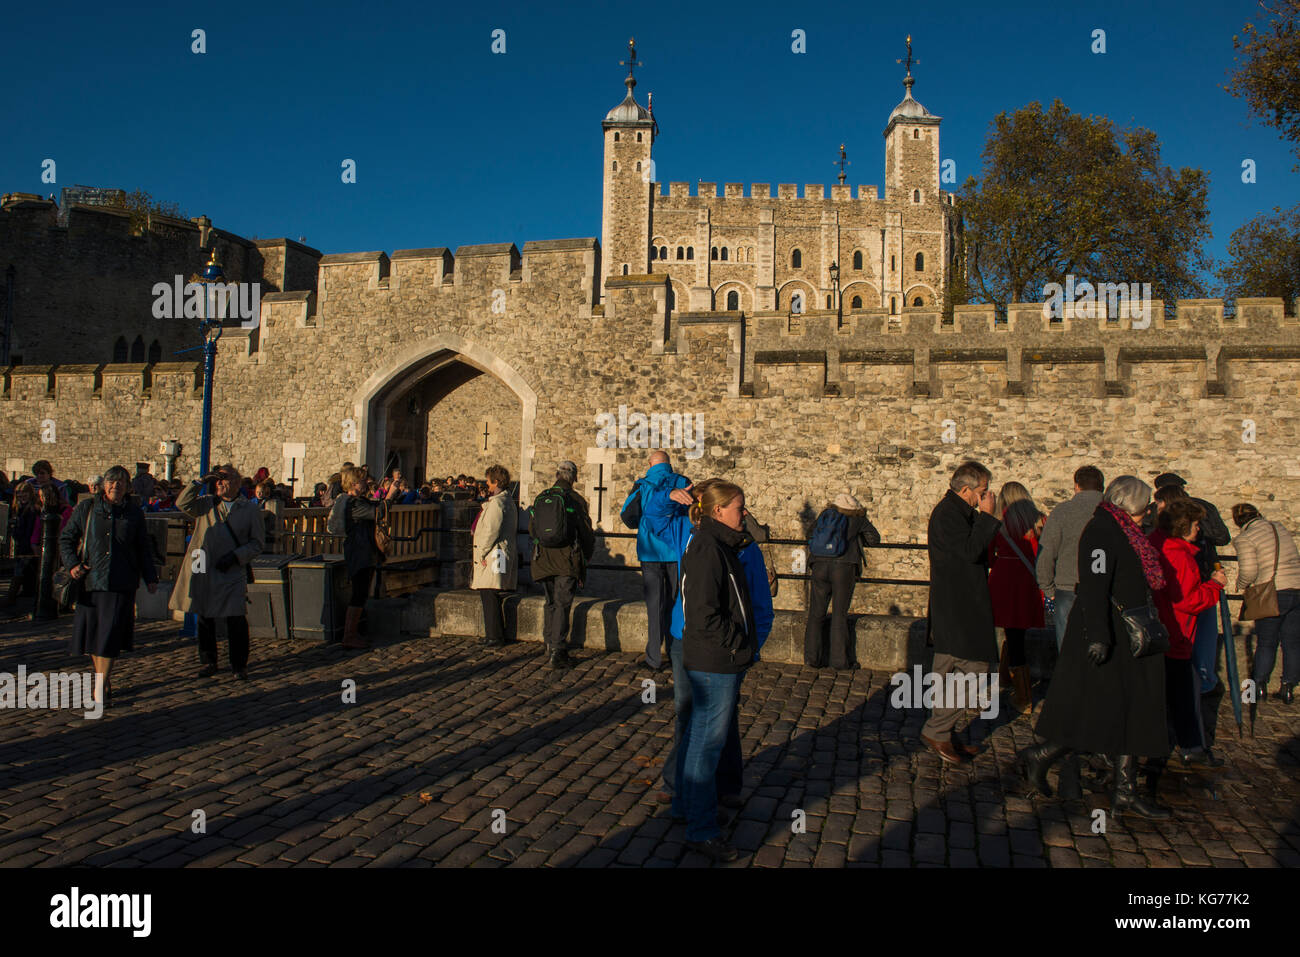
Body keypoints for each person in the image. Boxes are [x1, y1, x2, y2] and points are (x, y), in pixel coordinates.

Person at [1021, 476, 1172, 819]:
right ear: (1127, 503)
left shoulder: (1128, 532)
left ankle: (1124, 790)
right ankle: (1041, 755)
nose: (1149, 511)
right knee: (1095, 710)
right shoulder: (1102, 532)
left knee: (1132, 711)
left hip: (1130, 633)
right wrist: (1100, 637)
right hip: (1107, 634)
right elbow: (1094, 586)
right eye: (1144, 505)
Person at [647, 478, 773, 822]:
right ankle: (682, 791)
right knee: (692, 717)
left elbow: (759, 606)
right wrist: (663, 495)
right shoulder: (690, 537)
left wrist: (749, 648)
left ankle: (723, 787)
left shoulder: (744, 547)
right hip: (686, 638)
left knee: (720, 721)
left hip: (722, 647)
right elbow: (651, 520)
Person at [674, 480, 758, 861]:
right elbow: (704, 614)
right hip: (714, 661)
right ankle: (701, 828)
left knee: (699, 739)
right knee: (705, 745)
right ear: (719, 510)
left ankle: (692, 810)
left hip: (715, 658)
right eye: (739, 508)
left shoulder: (714, 543)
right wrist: (737, 643)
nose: (745, 514)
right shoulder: (709, 548)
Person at [923, 461, 1001, 764]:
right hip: (958, 607)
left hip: (957, 606)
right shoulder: (948, 515)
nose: (984, 497)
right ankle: (938, 729)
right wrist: (988, 517)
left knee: (948, 670)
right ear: (966, 489)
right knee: (976, 668)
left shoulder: (956, 512)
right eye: (980, 492)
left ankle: (944, 730)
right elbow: (969, 552)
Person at [61, 465, 158, 710]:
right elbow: (67, 538)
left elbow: (142, 547)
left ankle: (100, 685)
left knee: (110, 635)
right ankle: (102, 680)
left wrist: (150, 577)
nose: (116, 486)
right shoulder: (87, 508)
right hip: (91, 581)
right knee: (94, 635)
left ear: (127, 487)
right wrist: (72, 564)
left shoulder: (134, 514)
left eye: (121, 483)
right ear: (105, 485)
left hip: (120, 582)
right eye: (112, 482)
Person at [1150, 499, 1227, 772]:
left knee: (1169, 693)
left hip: (1162, 631)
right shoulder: (1180, 556)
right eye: (1195, 525)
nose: (1198, 531)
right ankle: (1190, 746)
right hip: (1178, 633)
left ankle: (1173, 744)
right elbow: (1188, 600)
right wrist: (1214, 587)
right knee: (1183, 695)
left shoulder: (1158, 544)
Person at [169, 464, 265, 678]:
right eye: (217, 479)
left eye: (225, 478)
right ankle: (208, 660)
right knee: (204, 614)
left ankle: (239, 664)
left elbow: (257, 543)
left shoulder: (249, 510)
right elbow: (182, 503)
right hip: (204, 565)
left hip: (231, 568)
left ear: (237, 483)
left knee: (236, 617)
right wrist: (200, 482)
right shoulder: (206, 504)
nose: (220, 483)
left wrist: (236, 556)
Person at [1151, 473, 1229, 707]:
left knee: (1196, 641)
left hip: (1199, 580)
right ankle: (1201, 686)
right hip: (1198, 584)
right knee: (1194, 644)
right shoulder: (1174, 546)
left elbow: (1221, 537)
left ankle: (1200, 684)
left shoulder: (1194, 512)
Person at [625, 451, 692, 671]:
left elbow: (627, 516)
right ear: (668, 465)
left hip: (650, 553)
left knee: (654, 605)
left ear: (650, 464)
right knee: (676, 603)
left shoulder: (642, 485)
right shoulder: (683, 482)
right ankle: (675, 653)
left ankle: (653, 657)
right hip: (675, 551)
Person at [803, 492, 881, 670]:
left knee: (816, 612)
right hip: (844, 568)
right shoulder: (857, 519)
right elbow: (874, 539)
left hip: (819, 565)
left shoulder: (825, 515)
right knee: (839, 614)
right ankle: (839, 661)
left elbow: (809, 535)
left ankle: (811, 658)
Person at [529, 461, 595, 669]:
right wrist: (587, 555)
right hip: (567, 558)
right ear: (574, 477)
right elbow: (586, 533)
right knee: (562, 604)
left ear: (557, 475)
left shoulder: (542, 497)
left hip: (543, 558)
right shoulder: (576, 500)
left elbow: (532, 529)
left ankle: (549, 643)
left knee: (550, 602)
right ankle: (558, 651)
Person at [1232, 503, 1300, 705]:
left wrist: (1241, 585)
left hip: (1273, 592)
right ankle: (1288, 688)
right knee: (1293, 643)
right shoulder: (1279, 527)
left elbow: (1249, 571)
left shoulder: (1245, 538)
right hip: (1297, 589)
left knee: (1267, 642)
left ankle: (1259, 686)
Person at [989, 482, 1045, 714]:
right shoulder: (1039, 520)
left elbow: (988, 551)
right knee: (1016, 631)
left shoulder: (1000, 521)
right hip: (1028, 580)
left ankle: (1024, 697)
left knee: (1013, 633)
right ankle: (1006, 677)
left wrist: (998, 565)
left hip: (1005, 579)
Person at [1037, 466, 1105, 650]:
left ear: (1076, 486)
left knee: (1068, 649)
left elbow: (1046, 553)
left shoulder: (1062, 511)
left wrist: (1048, 589)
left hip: (1068, 587)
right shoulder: (1113, 513)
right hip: (1104, 589)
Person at [327, 465, 382, 650]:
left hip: (364, 549)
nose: (366, 483)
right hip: (359, 550)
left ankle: (353, 632)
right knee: (359, 592)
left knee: (362, 592)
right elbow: (376, 512)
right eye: (362, 480)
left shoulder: (359, 501)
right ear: (353, 483)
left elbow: (375, 507)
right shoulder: (352, 503)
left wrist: (392, 494)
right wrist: (389, 496)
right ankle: (349, 635)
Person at [471, 465, 519, 647]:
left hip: (493, 554)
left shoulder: (498, 503)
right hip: (498, 553)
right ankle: (493, 633)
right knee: (491, 594)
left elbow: (491, 530)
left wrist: (482, 551)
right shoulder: (506, 501)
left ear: (496, 482)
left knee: (489, 593)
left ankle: (494, 635)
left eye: (489, 481)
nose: (487, 485)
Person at [3, 482, 39, 607]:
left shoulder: (32, 510)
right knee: (24, 572)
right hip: (20, 544)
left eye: (24, 492)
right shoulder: (18, 508)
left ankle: (11, 598)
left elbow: (29, 530)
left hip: (27, 545)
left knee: (19, 572)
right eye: (19, 493)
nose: (21, 495)